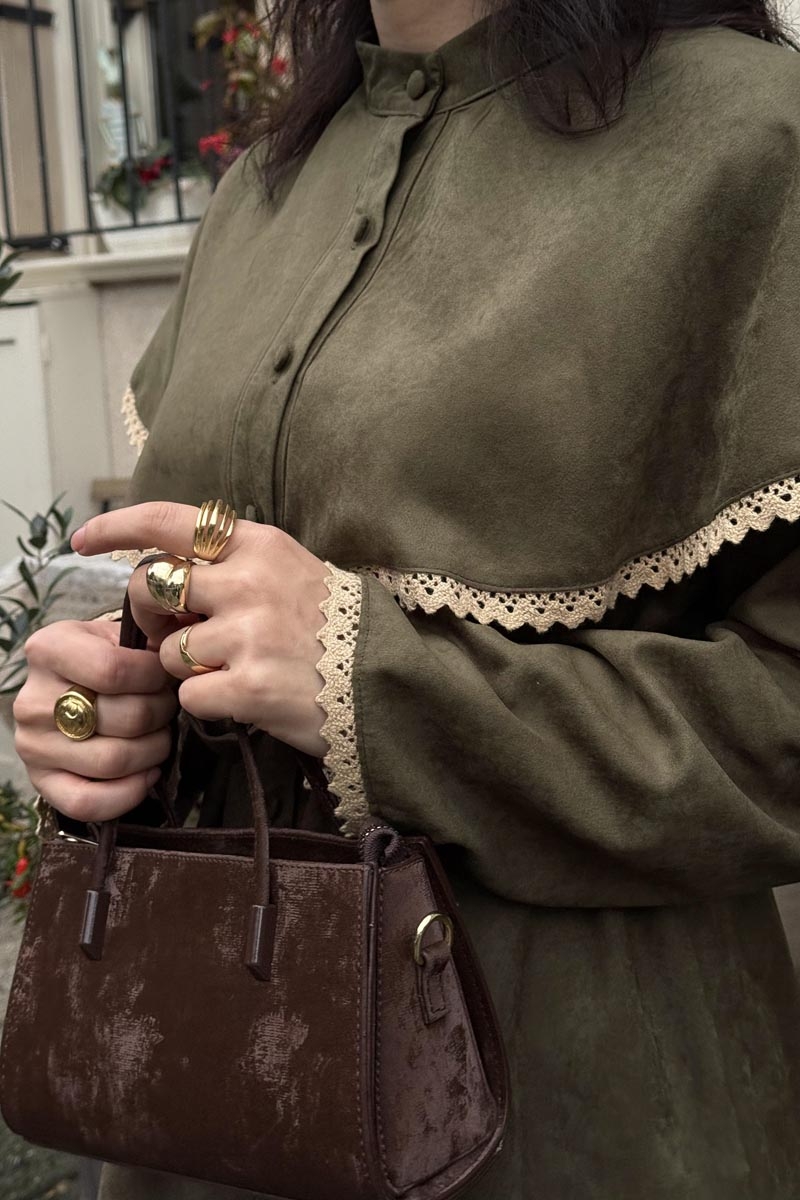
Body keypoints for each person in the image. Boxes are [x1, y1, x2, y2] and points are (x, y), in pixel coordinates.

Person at [13, 0, 800, 1196]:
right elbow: (205, 619)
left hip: (573, 1118)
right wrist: (107, 707)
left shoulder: (750, 139)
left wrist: (369, 682)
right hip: (205, 1100)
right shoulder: (268, 182)